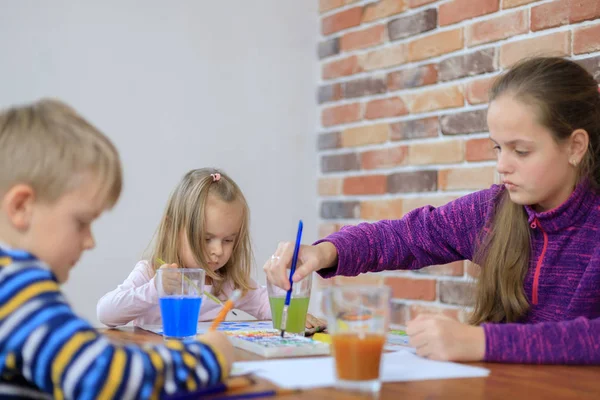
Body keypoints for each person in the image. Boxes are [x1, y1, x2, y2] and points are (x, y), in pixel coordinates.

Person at [264, 57, 600, 365]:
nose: (502, 166)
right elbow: (403, 237)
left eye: (521, 151)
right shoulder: (492, 211)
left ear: (575, 146)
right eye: (498, 147)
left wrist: (481, 342)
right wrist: (324, 251)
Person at [0, 99, 233, 399]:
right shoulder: (18, 292)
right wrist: (209, 358)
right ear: (21, 207)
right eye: (82, 222)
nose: (90, 241)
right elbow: (105, 376)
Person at [97, 168, 324, 331]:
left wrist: (294, 311)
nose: (218, 251)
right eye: (206, 239)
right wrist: (155, 288)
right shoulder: (151, 272)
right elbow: (107, 314)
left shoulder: (226, 282)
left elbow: (265, 304)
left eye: (228, 240)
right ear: (172, 227)